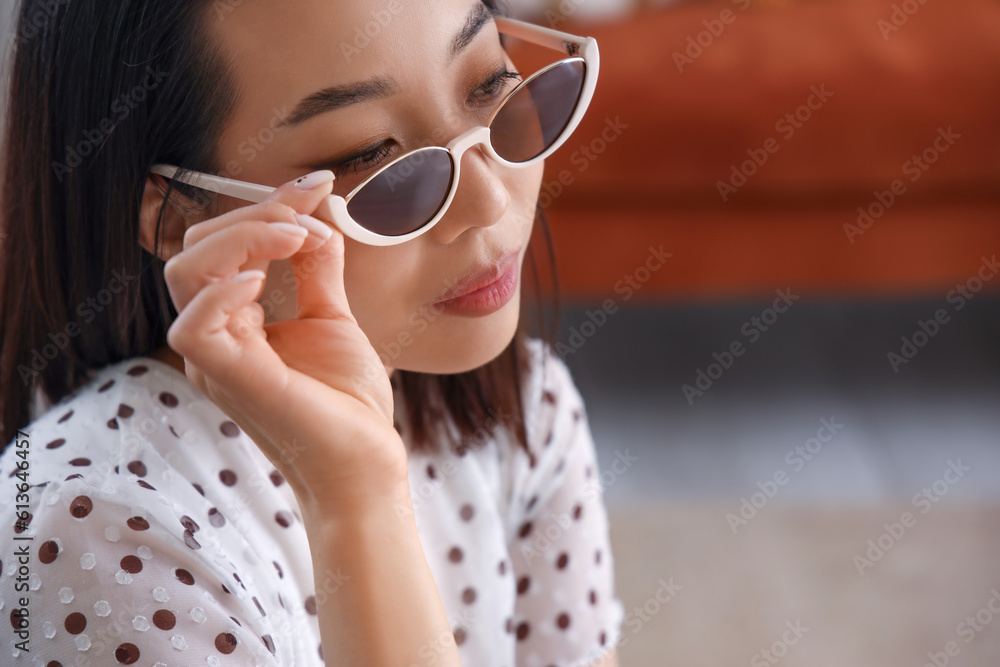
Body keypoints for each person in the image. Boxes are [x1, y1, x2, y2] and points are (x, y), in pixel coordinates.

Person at [0, 0, 624, 665]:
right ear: (176, 219)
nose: (488, 201)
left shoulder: (527, 408)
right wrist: (356, 498)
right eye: (373, 158)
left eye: (491, 86)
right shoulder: (86, 531)